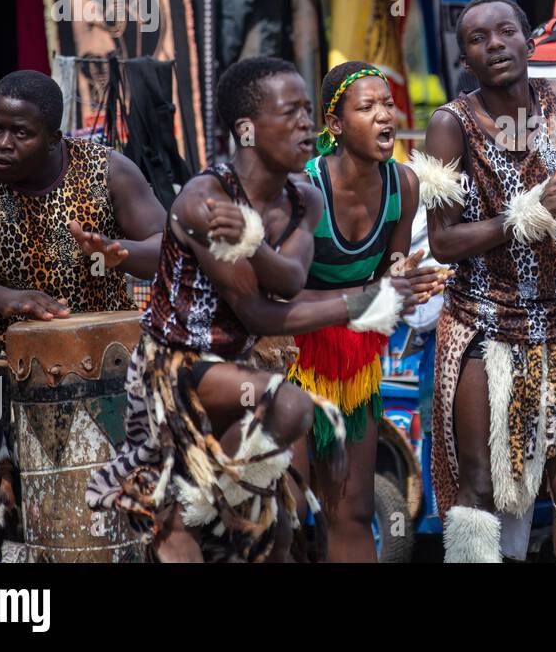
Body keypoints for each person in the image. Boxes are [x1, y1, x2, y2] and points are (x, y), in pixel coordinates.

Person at [85, 57, 411, 562]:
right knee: (193, 516)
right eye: (291, 113)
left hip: (240, 366)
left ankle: (220, 500)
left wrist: (254, 244)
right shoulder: (204, 199)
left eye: (308, 109)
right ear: (247, 129)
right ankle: (199, 498)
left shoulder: (305, 198)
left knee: (272, 529)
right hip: (174, 370)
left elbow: (291, 279)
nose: (306, 122)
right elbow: (259, 313)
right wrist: (361, 303)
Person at [0, 70, 167, 559]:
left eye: (21, 133)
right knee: (15, 521)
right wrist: (2, 298)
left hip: (113, 369)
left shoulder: (107, 170)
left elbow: (166, 247)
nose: (2, 143)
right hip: (9, 374)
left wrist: (120, 251)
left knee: (126, 514)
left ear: (55, 137)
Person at [417, 0, 556, 563]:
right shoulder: (448, 127)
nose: (495, 45)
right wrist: (528, 211)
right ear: (465, 60)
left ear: (530, 41)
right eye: (478, 39)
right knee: (483, 488)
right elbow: (444, 242)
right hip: (483, 326)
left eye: (505, 32)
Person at [286, 61, 445, 562]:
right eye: (367, 107)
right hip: (289, 357)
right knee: (285, 510)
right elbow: (276, 303)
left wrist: (406, 288)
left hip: (356, 361)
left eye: (387, 105)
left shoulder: (404, 185)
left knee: (350, 509)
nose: (385, 117)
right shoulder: (303, 189)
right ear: (334, 125)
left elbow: (391, 285)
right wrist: (375, 294)